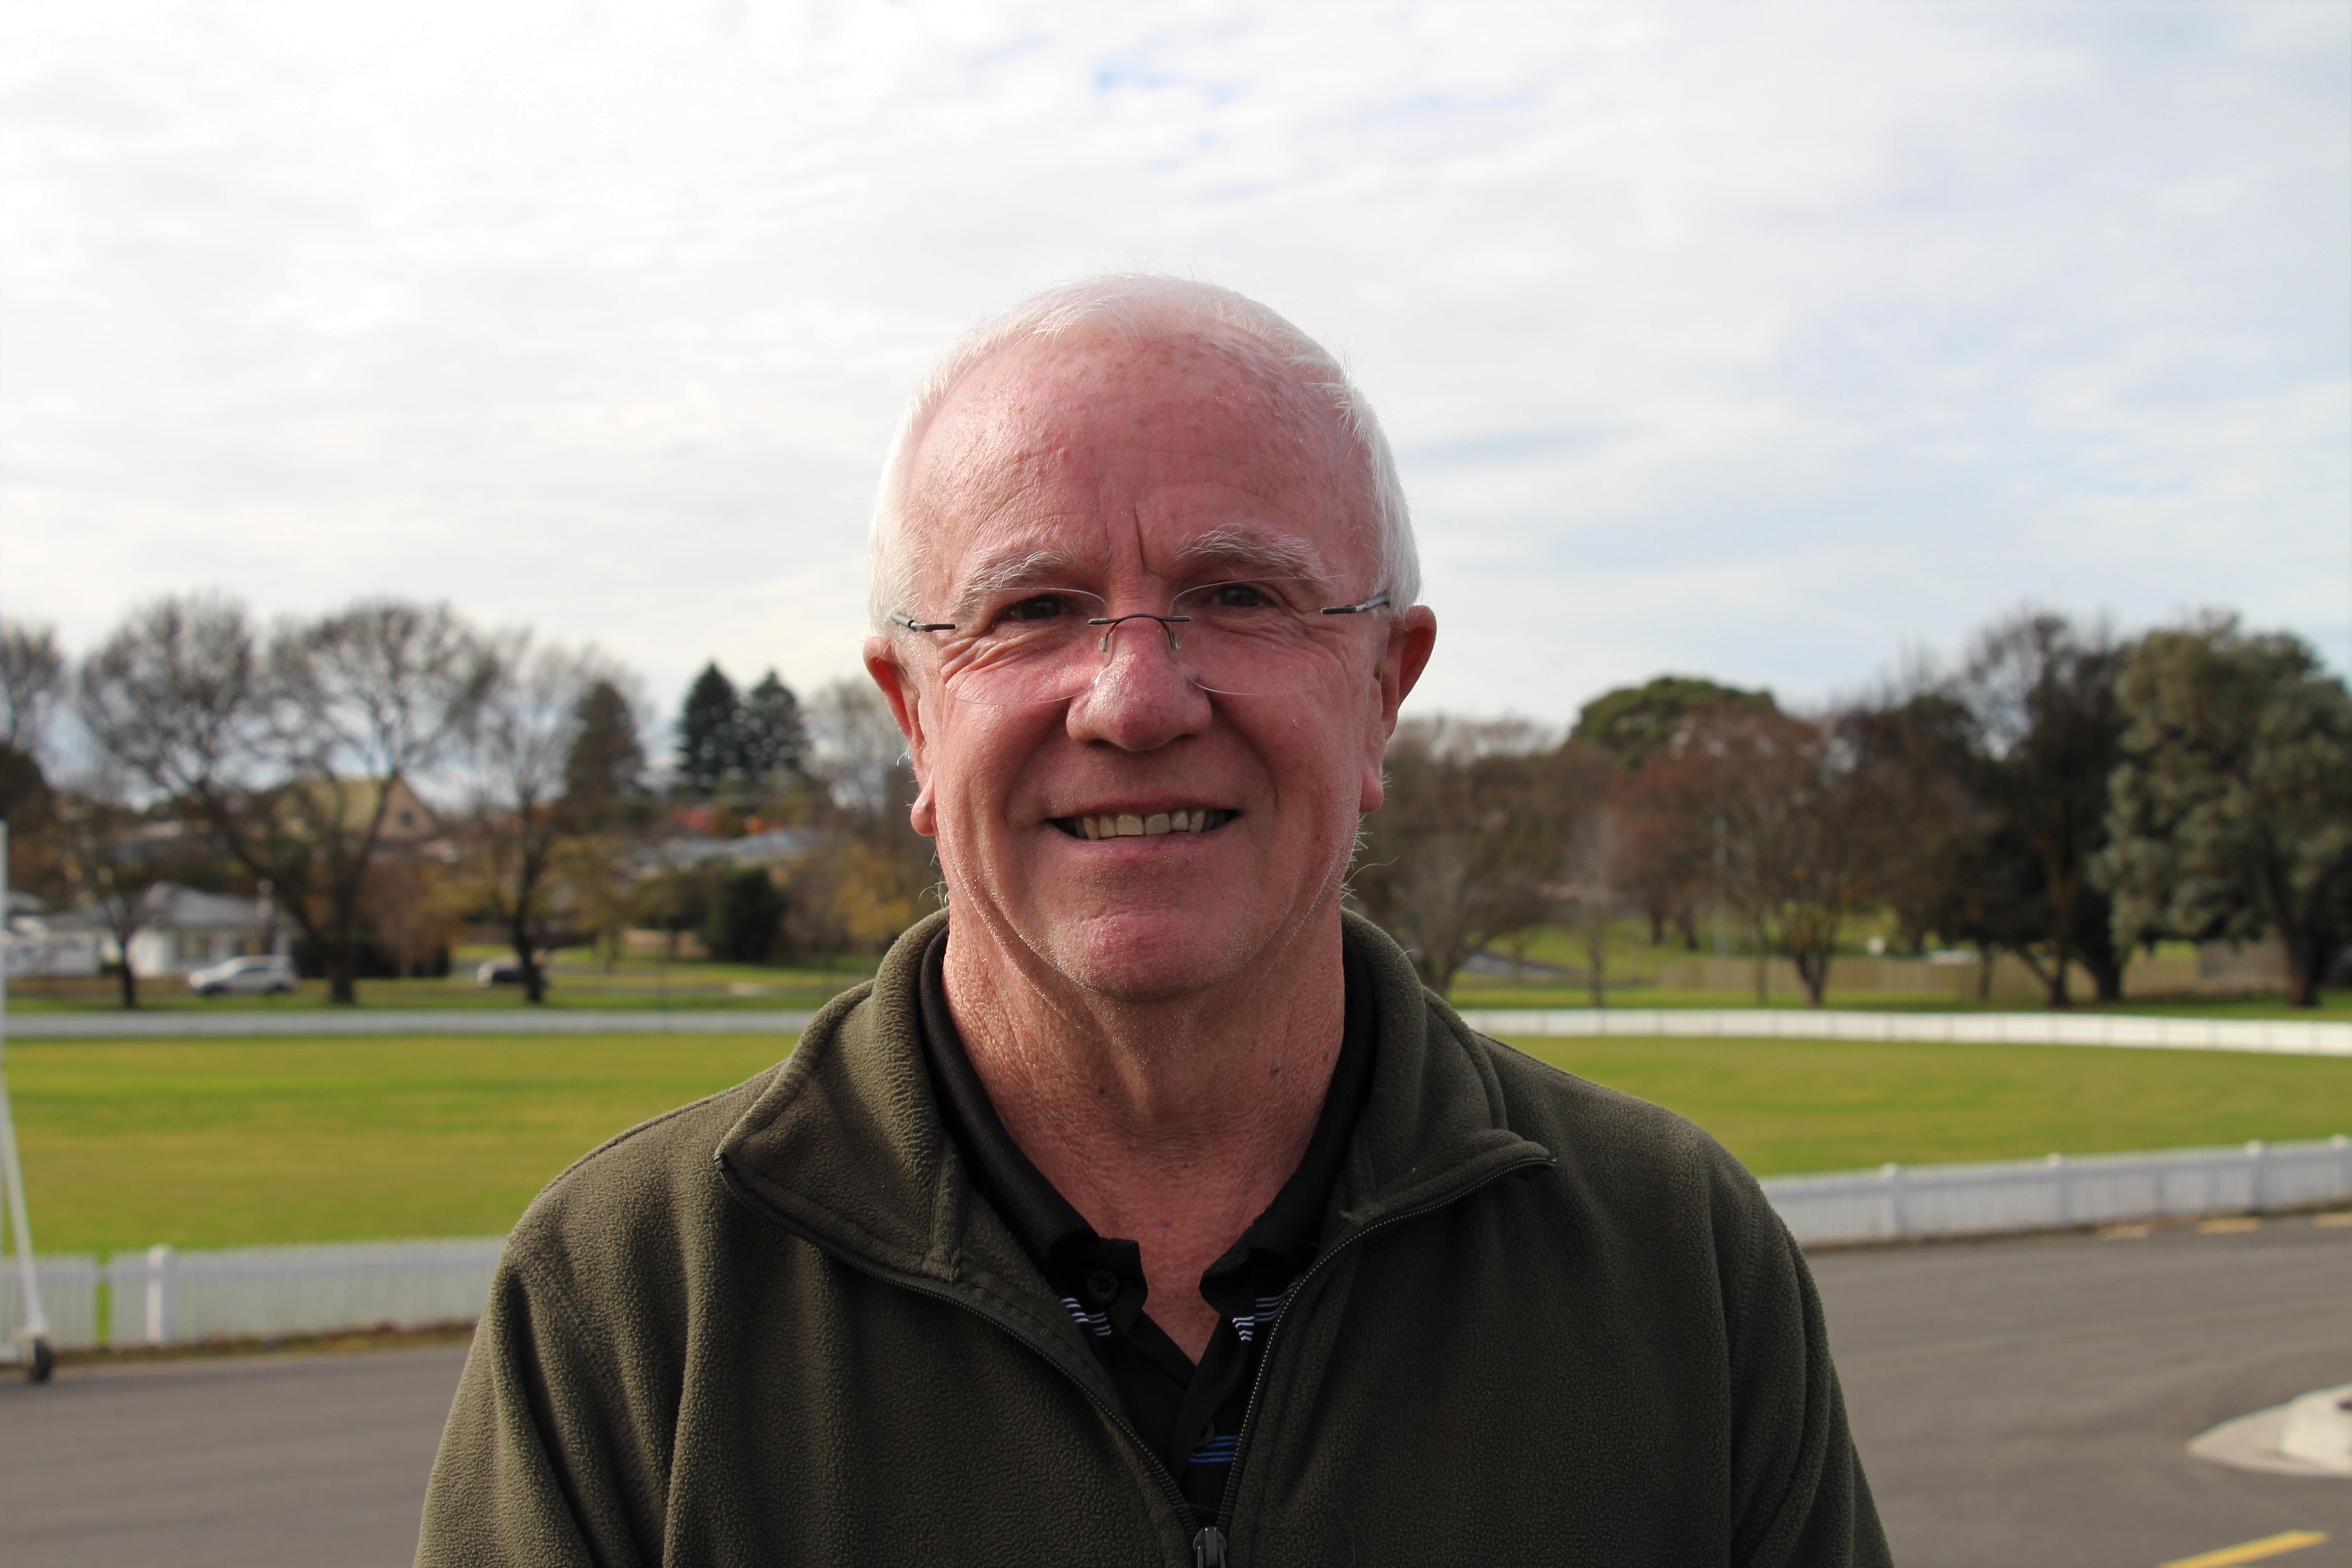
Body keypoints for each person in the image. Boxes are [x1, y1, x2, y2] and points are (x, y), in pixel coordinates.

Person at [416, 277, 1891, 1568]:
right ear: (913, 717)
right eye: (1033, 608)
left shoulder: (1676, 1262)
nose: (1135, 701)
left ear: (1384, 690)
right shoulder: (629, 1304)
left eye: (1239, 594)